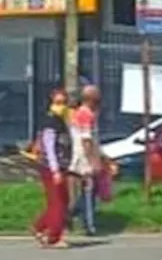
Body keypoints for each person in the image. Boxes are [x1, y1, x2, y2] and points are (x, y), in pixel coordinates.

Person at [32, 89, 72, 249]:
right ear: (51, 103)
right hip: (51, 167)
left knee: (62, 200)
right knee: (58, 203)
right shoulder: (50, 122)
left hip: (60, 166)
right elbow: (49, 147)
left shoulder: (61, 120)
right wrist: (55, 170)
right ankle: (53, 237)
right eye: (58, 103)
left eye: (64, 103)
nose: (61, 106)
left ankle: (39, 227)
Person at [68, 85, 103, 236]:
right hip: (83, 156)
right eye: (97, 97)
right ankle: (88, 224)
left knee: (89, 189)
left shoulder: (83, 113)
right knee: (89, 188)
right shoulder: (85, 114)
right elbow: (86, 140)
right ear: (92, 99)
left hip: (83, 154)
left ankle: (74, 214)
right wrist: (93, 160)